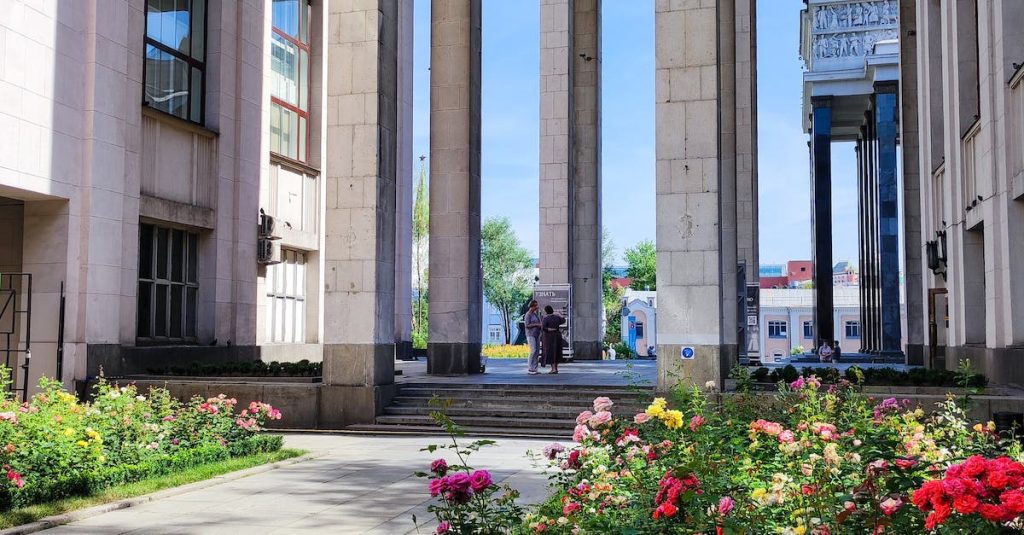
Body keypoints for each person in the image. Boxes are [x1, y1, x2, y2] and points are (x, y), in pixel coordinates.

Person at [541, 305, 565, 374]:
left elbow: (543, 328)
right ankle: (556, 368)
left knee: (551, 352)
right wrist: (560, 314)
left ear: (546, 311)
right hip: (557, 336)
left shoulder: (545, 318)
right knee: (557, 351)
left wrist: (550, 329)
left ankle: (553, 369)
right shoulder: (557, 317)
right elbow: (563, 320)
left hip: (549, 338)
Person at [524, 301, 543, 375]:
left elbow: (539, 322)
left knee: (537, 351)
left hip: (537, 334)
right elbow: (527, 325)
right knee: (533, 350)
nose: (537, 307)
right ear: (532, 306)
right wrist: (537, 324)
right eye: (536, 306)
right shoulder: (528, 315)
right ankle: (530, 368)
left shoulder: (535, 314)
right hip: (530, 334)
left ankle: (535, 368)